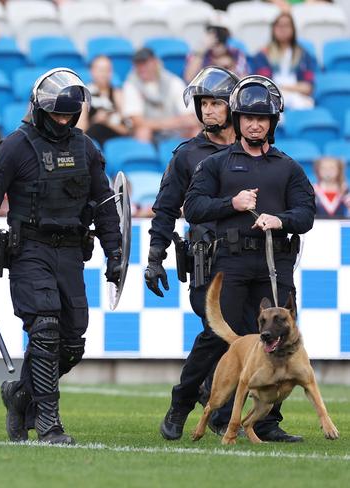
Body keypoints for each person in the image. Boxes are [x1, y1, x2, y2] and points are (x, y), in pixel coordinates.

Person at [0, 68, 123, 444]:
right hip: (29, 250)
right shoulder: (13, 147)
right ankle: (49, 423)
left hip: (70, 252)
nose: (62, 121)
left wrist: (115, 250)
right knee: (45, 330)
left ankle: (20, 395)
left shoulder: (85, 148)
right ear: (38, 109)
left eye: (69, 115)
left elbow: (104, 203)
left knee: (72, 342)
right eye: (56, 114)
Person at [184, 74, 316, 442]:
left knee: (278, 341)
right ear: (237, 120)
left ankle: (267, 422)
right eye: (248, 118)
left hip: (275, 264)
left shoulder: (288, 167)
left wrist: (281, 219)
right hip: (231, 262)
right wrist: (233, 203)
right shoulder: (217, 164)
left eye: (262, 119)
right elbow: (192, 207)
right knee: (229, 338)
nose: (255, 124)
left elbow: (306, 213)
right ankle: (207, 409)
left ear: (272, 123)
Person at [143, 66, 240, 440]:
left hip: (249, 260)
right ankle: (182, 402)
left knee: (253, 334)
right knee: (216, 333)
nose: (209, 111)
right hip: (206, 258)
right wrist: (154, 258)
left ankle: (227, 413)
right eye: (204, 104)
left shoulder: (251, 148)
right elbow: (165, 209)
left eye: (216, 103)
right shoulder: (186, 155)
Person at [122, 48, 199, 144]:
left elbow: (190, 118)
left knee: (196, 131)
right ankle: (146, 158)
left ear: (155, 62)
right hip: (152, 132)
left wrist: (161, 124)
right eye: (138, 64)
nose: (142, 67)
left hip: (174, 131)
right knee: (143, 132)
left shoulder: (173, 81)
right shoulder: (131, 84)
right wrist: (173, 122)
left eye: (145, 62)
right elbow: (137, 121)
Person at [253, 12, 316, 110]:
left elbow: (307, 87)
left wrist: (283, 87)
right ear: (273, 29)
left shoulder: (304, 55)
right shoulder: (262, 55)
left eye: (286, 25)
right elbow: (263, 85)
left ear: (293, 29)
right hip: (271, 97)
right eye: (279, 25)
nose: (282, 29)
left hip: (298, 97)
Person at [77, 55, 130, 147]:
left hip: (115, 137)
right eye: (101, 70)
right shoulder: (85, 94)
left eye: (107, 70)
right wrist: (95, 120)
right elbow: (80, 130)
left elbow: (127, 129)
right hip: (92, 137)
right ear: (92, 71)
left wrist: (107, 121)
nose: (104, 74)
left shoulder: (117, 93)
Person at [184, 18, 250, 83]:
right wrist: (201, 51)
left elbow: (242, 81)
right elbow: (189, 79)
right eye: (212, 32)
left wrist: (229, 67)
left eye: (221, 33)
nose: (217, 38)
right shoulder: (199, 54)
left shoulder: (236, 54)